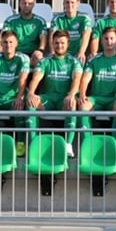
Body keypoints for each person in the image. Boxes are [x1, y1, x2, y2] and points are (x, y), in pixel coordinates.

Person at [26, 30, 84, 158]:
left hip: (64, 98)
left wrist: (71, 95)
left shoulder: (74, 62)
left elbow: (77, 80)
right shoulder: (45, 61)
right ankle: (33, 143)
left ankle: (68, 144)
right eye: (56, 43)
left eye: (62, 43)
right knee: (31, 103)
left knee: (72, 103)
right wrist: (31, 93)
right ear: (52, 43)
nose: (59, 46)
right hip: (49, 98)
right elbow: (36, 78)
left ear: (68, 44)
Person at [79, 27, 116, 145]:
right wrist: (82, 95)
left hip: (114, 99)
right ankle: (88, 144)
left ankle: (115, 146)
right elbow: (85, 79)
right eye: (106, 39)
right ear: (102, 40)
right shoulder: (94, 60)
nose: (109, 41)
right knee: (83, 106)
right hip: (97, 99)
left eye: (112, 38)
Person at [0, 0, 48, 67]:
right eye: (24, 3)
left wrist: (40, 50)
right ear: (20, 4)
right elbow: (2, 37)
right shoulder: (10, 20)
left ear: (34, 5)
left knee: (39, 58)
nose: (27, 6)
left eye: (29, 3)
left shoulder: (40, 21)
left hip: (33, 53)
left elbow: (43, 37)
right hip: (16, 52)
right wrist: (0, 53)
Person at [50, 0, 93, 64]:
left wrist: (81, 52)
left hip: (79, 53)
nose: (70, 5)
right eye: (67, 2)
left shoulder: (85, 18)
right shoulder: (57, 18)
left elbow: (87, 34)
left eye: (72, 2)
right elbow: (52, 35)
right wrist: (53, 52)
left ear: (78, 4)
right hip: (62, 53)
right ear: (63, 4)